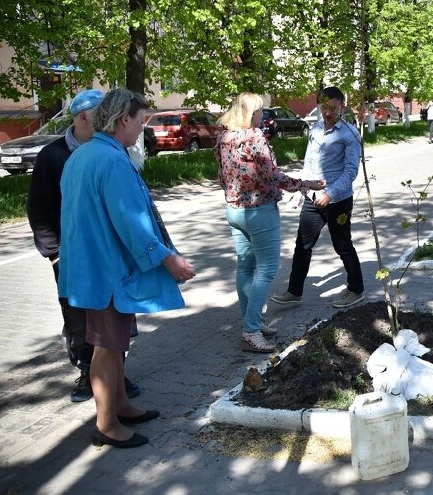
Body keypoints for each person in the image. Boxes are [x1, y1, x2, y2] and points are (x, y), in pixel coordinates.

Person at [58, 88, 195, 449]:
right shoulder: (113, 160)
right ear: (122, 120)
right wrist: (168, 258)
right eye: (139, 120)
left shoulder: (83, 155)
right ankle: (105, 424)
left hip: (91, 269)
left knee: (114, 344)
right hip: (107, 272)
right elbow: (132, 223)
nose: (141, 128)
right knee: (105, 346)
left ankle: (120, 405)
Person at [26, 89, 140, 403]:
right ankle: (87, 372)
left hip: (108, 254)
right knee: (77, 315)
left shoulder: (113, 150)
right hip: (72, 255)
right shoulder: (54, 155)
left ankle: (116, 376)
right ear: (84, 117)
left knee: (116, 314)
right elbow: (40, 208)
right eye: (102, 114)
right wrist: (53, 253)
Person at [214, 93, 325, 353]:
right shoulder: (254, 137)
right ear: (249, 113)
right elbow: (272, 176)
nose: (262, 116)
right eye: (259, 111)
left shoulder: (223, 138)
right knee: (267, 269)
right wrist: (305, 185)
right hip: (259, 211)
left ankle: (251, 322)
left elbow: (221, 176)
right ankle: (251, 331)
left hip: (234, 210)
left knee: (245, 267)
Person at [270, 86, 364, 308]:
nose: (328, 113)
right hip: (313, 197)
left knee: (342, 245)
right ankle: (294, 292)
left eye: (333, 108)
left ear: (342, 106)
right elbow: (309, 163)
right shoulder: (315, 129)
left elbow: (351, 171)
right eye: (324, 107)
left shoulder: (349, 133)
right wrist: (302, 190)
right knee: (302, 244)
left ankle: (356, 289)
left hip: (338, 200)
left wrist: (330, 194)